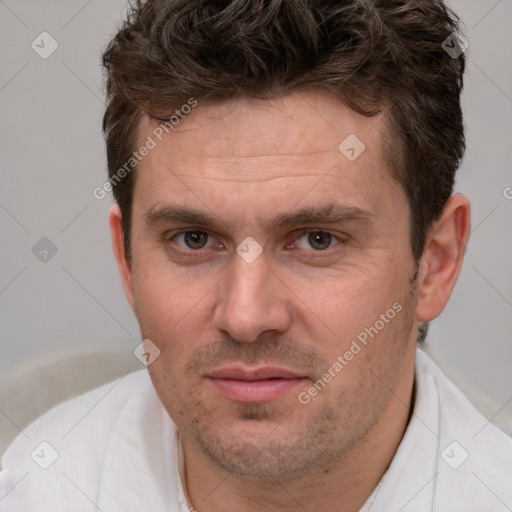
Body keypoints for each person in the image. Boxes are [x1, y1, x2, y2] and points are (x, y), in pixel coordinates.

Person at [1, 1, 511, 510]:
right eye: (193, 239)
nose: (245, 317)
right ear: (128, 259)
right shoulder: (35, 488)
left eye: (318, 239)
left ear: (435, 262)